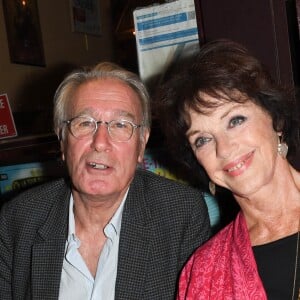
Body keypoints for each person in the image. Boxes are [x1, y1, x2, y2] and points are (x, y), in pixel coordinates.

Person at [0, 62, 211, 300]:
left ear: (141, 144)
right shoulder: (18, 219)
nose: (100, 142)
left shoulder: (180, 214)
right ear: (62, 140)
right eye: (85, 123)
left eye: (121, 125)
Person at [155, 39, 300, 299]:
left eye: (235, 120)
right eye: (203, 139)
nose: (223, 148)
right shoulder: (202, 271)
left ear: (276, 119)